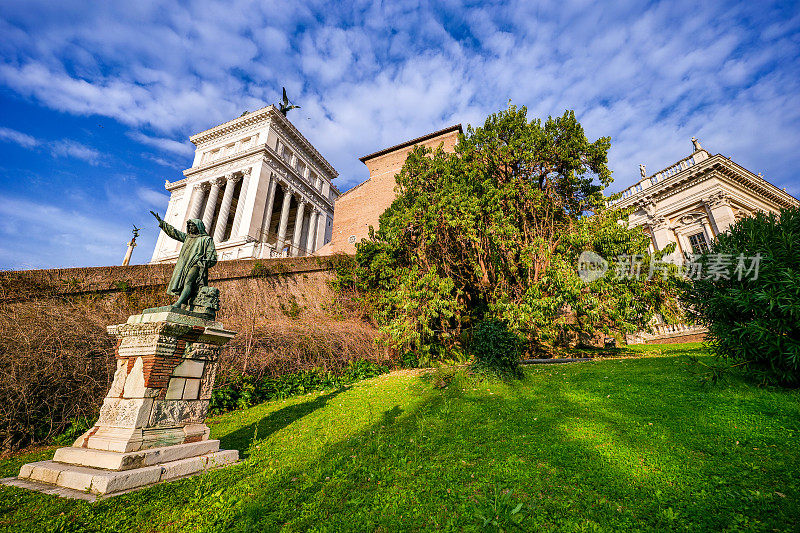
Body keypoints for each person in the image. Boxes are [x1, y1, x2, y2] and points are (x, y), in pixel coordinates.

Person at [150, 211, 217, 308]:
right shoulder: (187, 238)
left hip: (196, 264)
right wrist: (163, 223)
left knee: (188, 282)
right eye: (189, 226)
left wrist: (204, 261)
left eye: (192, 226)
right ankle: (184, 304)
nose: (190, 228)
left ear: (198, 227)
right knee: (183, 284)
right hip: (184, 264)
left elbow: (212, 256)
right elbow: (174, 233)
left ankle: (178, 303)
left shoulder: (206, 239)